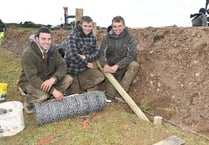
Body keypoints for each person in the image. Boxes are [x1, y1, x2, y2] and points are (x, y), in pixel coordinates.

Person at [18, 27, 73, 114]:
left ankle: (49, 95)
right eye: (43, 39)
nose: (47, 42)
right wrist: (53, 91)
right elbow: (32, 78)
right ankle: (29, 102)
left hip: (48, 79)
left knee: (68, 79)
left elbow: (62, 66)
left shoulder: (53, 49)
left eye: (49, 39)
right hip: (30, 81)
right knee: (44, 95)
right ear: (37, 39)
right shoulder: (28, 53)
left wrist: (53, 79)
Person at [99, 16, 140, 102]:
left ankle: (121, 94)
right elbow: (101, 54)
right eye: (115, 26)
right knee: (110, 96)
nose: (117, 29)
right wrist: (105, 65)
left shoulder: (129, 38)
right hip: (111, 70)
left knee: (134, 65)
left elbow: (132, 55)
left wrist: (118, 65)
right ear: (112, 26)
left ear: (124, 26)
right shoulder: (107, 38)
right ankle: (112, 93)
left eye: (119, 26)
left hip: (123, 68)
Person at [64, 16, 104, 93]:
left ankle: (83, 87)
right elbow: (72, 56)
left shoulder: (92, 37)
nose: (87, 28)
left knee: (100, 76)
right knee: (75, 95)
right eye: (85, 26)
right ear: (80, 25)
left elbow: (97, 53)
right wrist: (86, 63)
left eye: (89, 26)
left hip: (83, 71)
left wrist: (86, 57)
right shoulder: (73, 36)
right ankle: (77, 88)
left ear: (92, 26)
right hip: (72, 70)